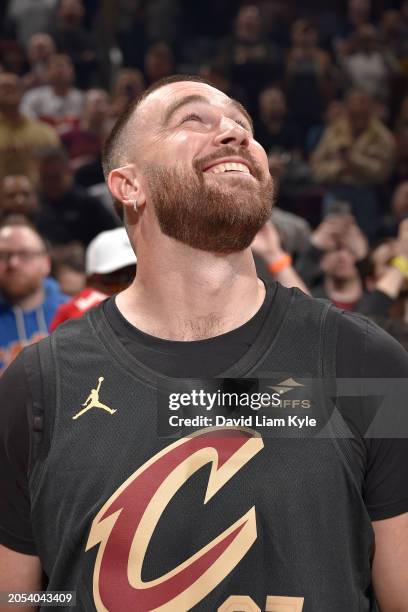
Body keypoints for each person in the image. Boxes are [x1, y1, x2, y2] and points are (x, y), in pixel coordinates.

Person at [0, 75, 407, 611]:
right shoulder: (37, 386)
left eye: (244, 124)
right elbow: (22, 597)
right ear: (128, 185)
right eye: (194, 119)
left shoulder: (367, 363)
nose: (235, 133)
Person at [311, 88, 396, 239]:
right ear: (346, 106)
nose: (358, 108)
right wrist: (340, 168)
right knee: (332, 238)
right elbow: (317, 167)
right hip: (337, 191)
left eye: (362, 103)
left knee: (364, 238)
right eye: (354, 103)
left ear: (371, 107)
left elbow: (382, 172)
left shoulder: (383, 137)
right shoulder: (334, 132)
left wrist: (353, 161)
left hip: (366, 193)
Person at [0, 221, 68, 373]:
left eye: (25, 254)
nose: (13, 263)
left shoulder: (75, 314)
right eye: (2, 256)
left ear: (46, 263)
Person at [50, 227, 137, 329]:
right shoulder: (74, 316)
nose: (129, 286)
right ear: (91, 282)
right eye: (115, 278)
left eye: (137, 274)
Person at [35, 147, 118, 246]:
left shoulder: (87, 203)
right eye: (45, 178)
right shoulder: (36, 206)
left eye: (55, 177)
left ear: (68, 173)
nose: (51, 183)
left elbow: (113, 235)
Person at [0, 72, 60, 183]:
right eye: (4, 87)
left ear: (22, 92)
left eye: (13, 87)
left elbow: (55, 170)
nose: (9, 90)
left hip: (38, 196)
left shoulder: (45, 132)